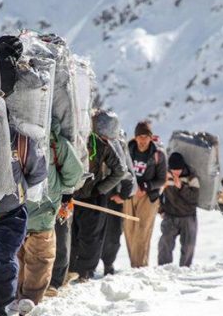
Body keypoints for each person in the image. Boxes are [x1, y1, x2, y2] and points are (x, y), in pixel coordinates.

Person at [0, 127, 47, 316]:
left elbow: (37, 171)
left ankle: (0, 307)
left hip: (11, 214)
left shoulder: (21, 140)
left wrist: (17, 191)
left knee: (4, 259)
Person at [16, 120, 84, 304]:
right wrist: (62, 190)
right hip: (44, 212)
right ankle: (30, 299)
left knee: (20, 257)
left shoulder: (14, 137)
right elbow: (75, 174)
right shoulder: (56, 144)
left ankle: (18, 297)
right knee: (40, 259)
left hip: (14, 211)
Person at [70, 111, 127, 281]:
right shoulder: (84, 140)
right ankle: (75, 271)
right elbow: (120, 171)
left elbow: (120, 170)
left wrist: (99, 189)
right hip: (75, 197)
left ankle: (83, 272)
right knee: (78, 236)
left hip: (87, 198)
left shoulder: (100, 145)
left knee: (87, 237)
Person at [123, 121, 167, 268]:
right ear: (135, 138)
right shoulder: (128, 150)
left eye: (145, 137)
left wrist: (146, 187)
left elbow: (162, 179)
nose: (142, 140)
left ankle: (140, 266)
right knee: (129, 230)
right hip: (130, 194)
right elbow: (122, 171)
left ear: (150, 137)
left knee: (143, 230)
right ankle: (133, 264)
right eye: (140, 137)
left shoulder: (157, 155)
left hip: (149, 196)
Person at [100, 133, 137, 275]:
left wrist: (123, 195)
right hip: (94, 195)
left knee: (113, 233)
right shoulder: (92, 140)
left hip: (112, 198)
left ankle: (108, 264)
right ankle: (86, 267)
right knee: (91, 231)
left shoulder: (118, 144)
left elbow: (126, 172)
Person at [157, 152, 200, 267]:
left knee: (188, 246)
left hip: (188, 216)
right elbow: (157, 196)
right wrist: (160, 210)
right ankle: (163, 269)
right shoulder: (165, 175)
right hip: (170, 215)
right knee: (165, 243)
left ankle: (184, 270)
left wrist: (181, 187)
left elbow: (194, 198)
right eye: (174, 169)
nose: (176, 172)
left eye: (179, 169)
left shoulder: (191, 176)